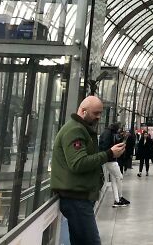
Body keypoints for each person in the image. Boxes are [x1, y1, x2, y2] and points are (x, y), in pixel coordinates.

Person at [51, 96, 126, 245]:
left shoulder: (81, 129)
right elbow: (78, 163)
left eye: (100, 113)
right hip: (76, 198)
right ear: (83, 111)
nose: (99, 117)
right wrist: (109, 154)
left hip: (79, 196)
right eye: (96, 113)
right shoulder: (74, 130)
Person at [98, 123, 129, 208]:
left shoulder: (108, 133)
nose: (120, 130)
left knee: (114, 180)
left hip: (108, 160)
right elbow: (107, 147)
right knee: (119, 177)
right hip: (110, 160)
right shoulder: (109, 134)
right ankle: (120, 197)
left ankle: (117, 199)